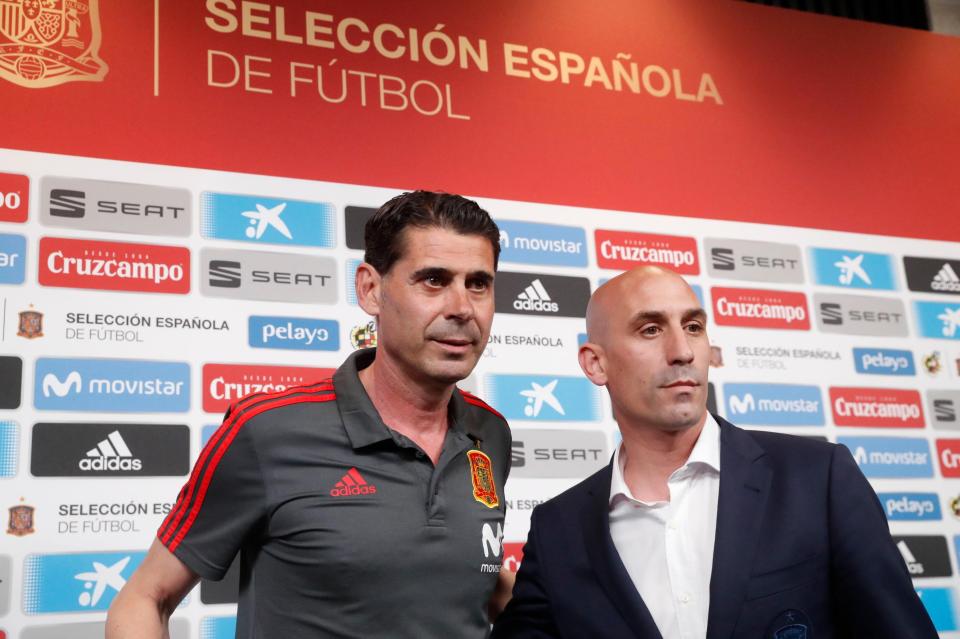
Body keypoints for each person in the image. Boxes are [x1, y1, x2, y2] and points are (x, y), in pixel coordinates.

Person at [107, 191, 514, 638]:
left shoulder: (489, 431)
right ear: (371, 289)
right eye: (433, 280)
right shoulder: (266, 430)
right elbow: (146, 598)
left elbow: (459, 578)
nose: (461, 308)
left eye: (478, 283)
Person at [492, 266, 937, 639]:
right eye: (650, 329)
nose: (682, 351)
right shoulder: (558, 531)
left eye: (694, 327)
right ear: (596, 363)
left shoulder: (817, 479)